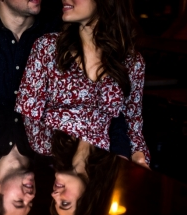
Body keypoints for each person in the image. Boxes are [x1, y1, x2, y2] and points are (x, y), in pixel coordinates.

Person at [15, 0, 150, 167]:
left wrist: (139, 159)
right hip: (52, 164)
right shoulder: (47, 48)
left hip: (104, 167)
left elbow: (133, 125)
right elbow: (27, 120)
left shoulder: (131, 62)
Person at [49, 130, 121, 215]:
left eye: (54, 201)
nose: (54, 195)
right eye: (65, 203)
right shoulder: (120, 147)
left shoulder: (46, 143)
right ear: (87, 198)